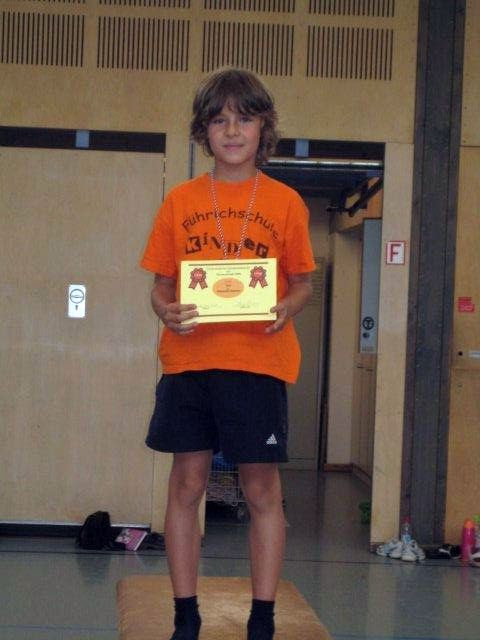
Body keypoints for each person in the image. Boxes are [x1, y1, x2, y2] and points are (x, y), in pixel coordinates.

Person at [140, 68, 315, 640]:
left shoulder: (286, 203)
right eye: (219, 120)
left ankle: (262, 618)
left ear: (263, 127)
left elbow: (302, 283)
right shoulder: (180, 200)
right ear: (204, 131)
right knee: (186, 485)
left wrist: (286, 307)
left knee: (261, 490)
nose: (232, 131)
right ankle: (185, 615)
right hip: (189, 364)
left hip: (257, 365)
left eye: (244, 119)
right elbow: (161, 285)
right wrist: (165, 310)